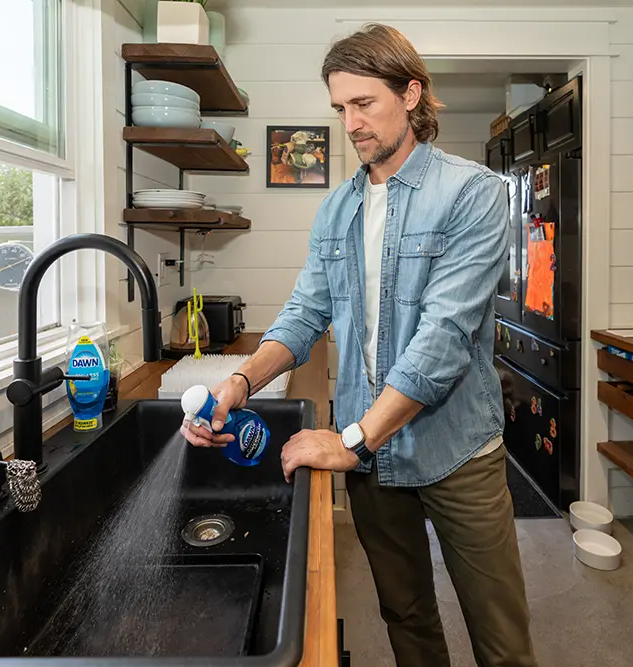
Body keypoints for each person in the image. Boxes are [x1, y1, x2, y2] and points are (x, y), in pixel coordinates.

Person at [181, 22, 537, 667]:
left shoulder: (472, 192)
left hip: (456, 448)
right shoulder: (337, 208)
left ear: (411, 94)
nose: (350, 122)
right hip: (373, 457)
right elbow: (303, 315)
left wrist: (351, 441)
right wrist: (236, 384)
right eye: (340, 107)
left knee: (501, 634)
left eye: (364, 102)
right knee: (405, 615)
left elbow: (446, 336)